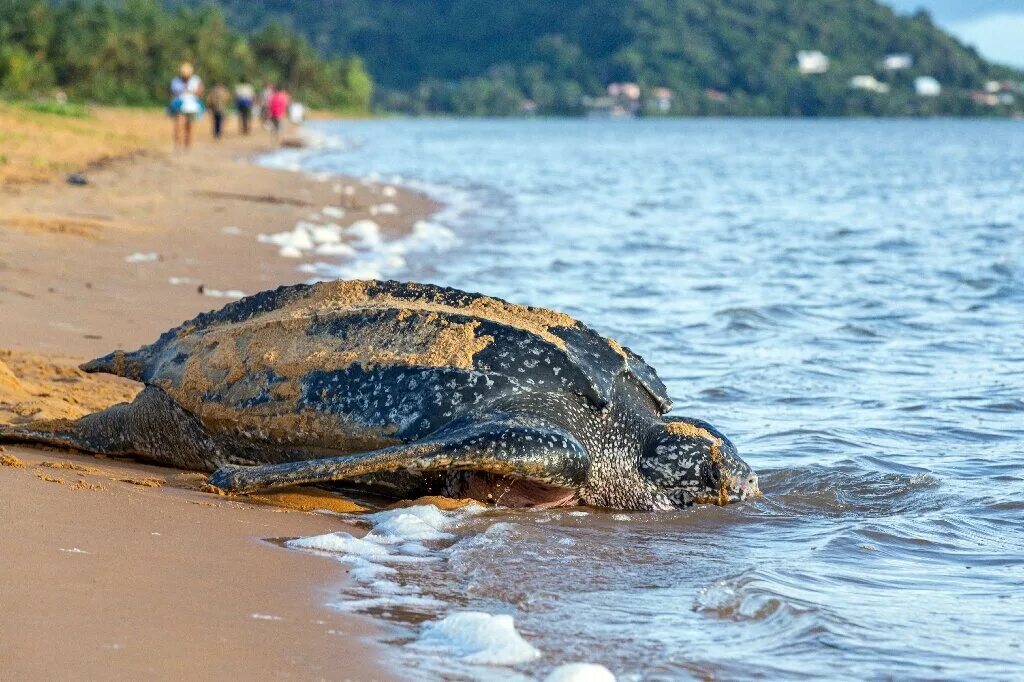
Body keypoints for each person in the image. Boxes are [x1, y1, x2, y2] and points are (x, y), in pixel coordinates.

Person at [168, 63, 204, 150]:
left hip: (192, 106)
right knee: (179, 125)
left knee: (190, 125)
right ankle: (178, 144)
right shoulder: (176, 81)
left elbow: (200, 92)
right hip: (179, 105)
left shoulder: (196, 80)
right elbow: (172, 92)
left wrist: (192, 92)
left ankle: (188, 144)